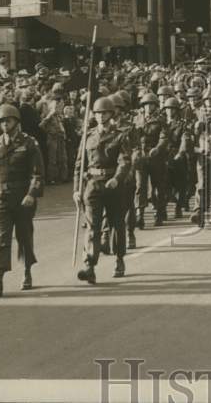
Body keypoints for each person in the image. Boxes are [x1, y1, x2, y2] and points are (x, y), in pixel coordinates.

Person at [0, 103, 44, 296]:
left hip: (22, 197)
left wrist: (31, 194)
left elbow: (38, 173)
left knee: (24, 236)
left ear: (16, 121)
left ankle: (27, 271)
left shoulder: (29, 142)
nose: (4, 124)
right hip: (2, 197)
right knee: (2, 238)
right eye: (1, 121)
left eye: (7, 120)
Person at [74, 96, 131, 284]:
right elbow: (79, 165)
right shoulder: (88, 136)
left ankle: (119, 258)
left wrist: (117, 179)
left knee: (116, 223)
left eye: (104, 113)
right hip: (92, 185)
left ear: (111, 114)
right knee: (92, 226)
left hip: (112, 184)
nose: (100, 116)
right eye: (97, 113)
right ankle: (90, 265)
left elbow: (125, 161)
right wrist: (77, 189)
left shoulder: (120, 135)